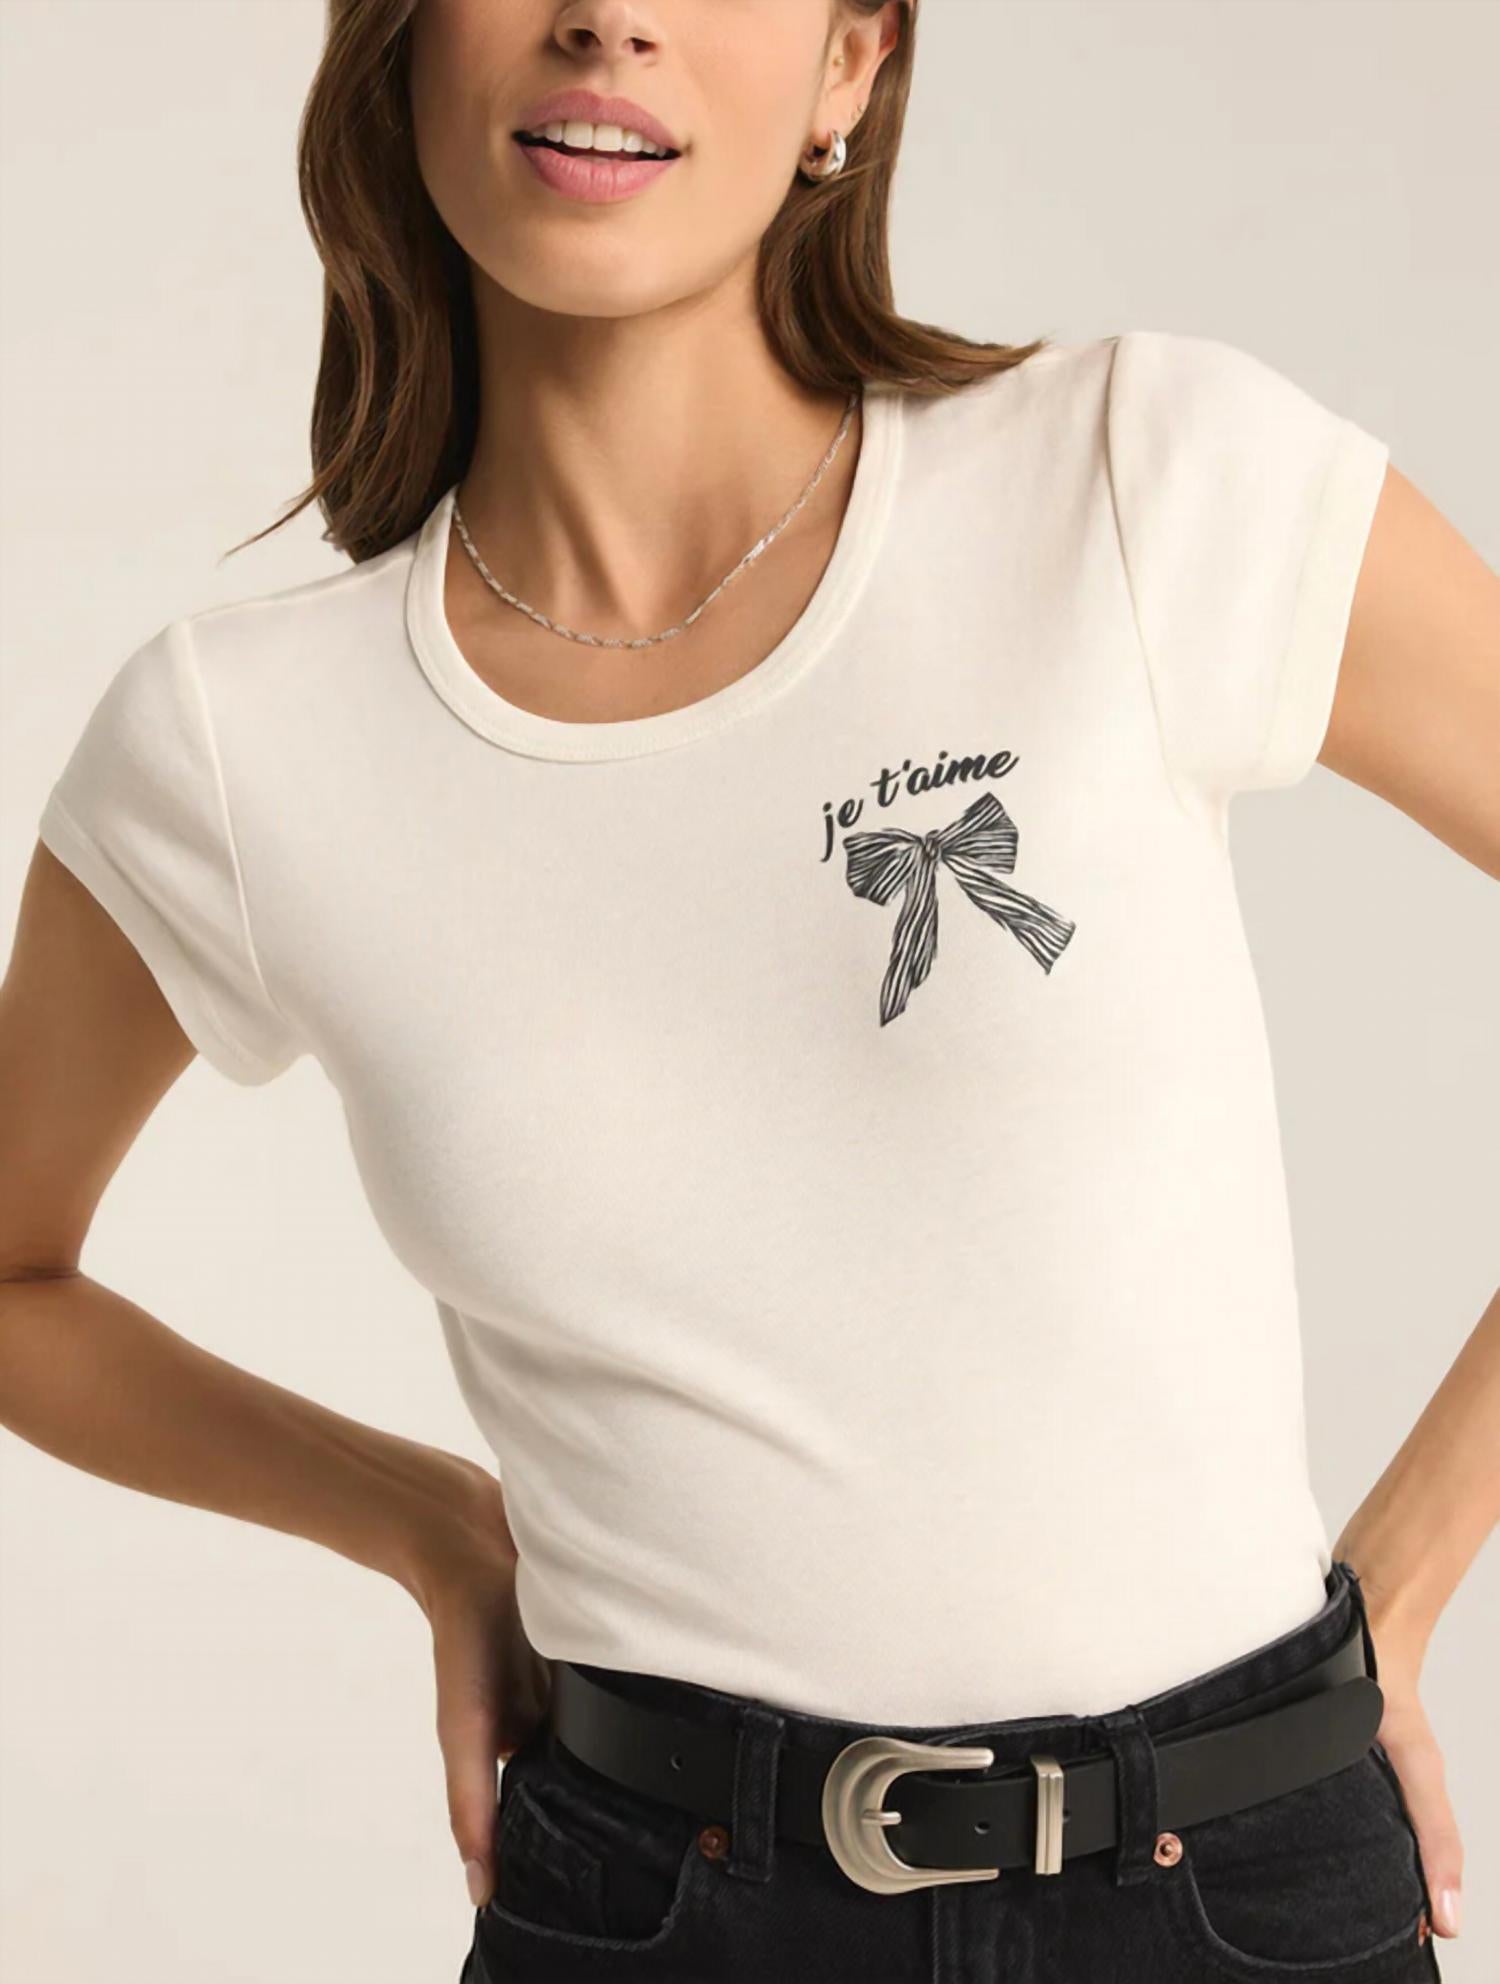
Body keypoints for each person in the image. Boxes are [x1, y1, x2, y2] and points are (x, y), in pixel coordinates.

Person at [2, 2, 1496, 1980]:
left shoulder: (1140, 476)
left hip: (1241, 1882)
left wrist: (1403, 1578)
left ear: (849, 64)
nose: (607, 17)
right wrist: (422, 1519)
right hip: (660, 1901)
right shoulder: (241, 742)